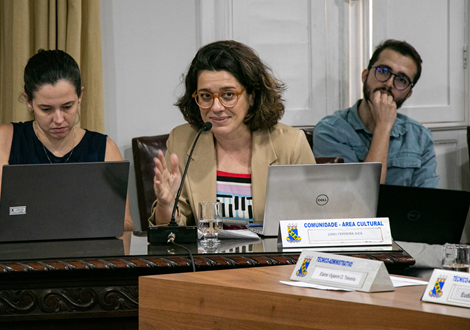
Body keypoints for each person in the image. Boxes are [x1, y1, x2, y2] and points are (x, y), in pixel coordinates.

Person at [149, 40, 315, 227]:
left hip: (271, 256)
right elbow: (169, 234)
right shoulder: (183, 140)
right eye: (205, 96)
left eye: (228, 95)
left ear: (252, 95)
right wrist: (166, 205)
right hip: (207, 256)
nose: (216, 107)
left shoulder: (290, 144)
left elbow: (313, 222)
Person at [0, 49, 134, 232]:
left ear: (80, 96)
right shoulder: (5, 139)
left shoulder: (105, 149)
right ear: (28, 101)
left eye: (67, 107)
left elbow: (125, 225)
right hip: (21, 256)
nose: (59, 119)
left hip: (87, 256)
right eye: (46, 109)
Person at [313, 39, 439, 188]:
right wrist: (383, 127)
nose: (389, 83)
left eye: (401, 80)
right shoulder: (330, 130)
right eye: (383, 71)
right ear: (365, 76)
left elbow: (428, 202)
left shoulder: (420, 136)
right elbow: (359, 198)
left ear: (408, 94)